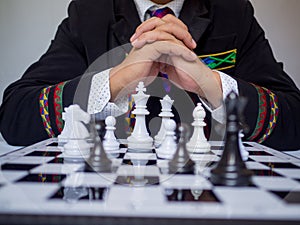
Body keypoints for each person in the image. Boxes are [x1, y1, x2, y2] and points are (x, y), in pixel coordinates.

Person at [0, 0, 299, 150]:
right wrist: (115, 80)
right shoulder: (89, 11)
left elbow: (295, 119)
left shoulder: (233, 10)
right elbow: (14, 117)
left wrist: (211, 85)